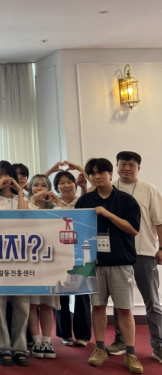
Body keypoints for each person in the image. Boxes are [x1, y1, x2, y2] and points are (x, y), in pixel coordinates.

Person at [76, 158, 142, 374]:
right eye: (92, 173)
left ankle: (130, 353)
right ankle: (100, 348)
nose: (97, 176)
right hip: (94, 263)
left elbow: (133, 229)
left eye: (101, 172)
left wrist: (107, 213)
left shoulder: (126, 200)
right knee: (98, 306)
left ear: (110, 174)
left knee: (124, 308)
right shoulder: (85, 201)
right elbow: (78, 231)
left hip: (120, 262)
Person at [107, 152, 162, 363]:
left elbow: (159, 221)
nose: (127, 168)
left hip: (144, 252)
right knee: (120, 302)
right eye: (123, 164)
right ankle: (121, 341)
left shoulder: (149, 189)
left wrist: (161, 247)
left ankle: (159, 344)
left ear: (138, 168)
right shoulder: (109, 189)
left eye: (132, 165)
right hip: (118, 254)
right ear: (117, 166)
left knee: (152, 301)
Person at [0, 161, 30, 367]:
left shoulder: (23, 198)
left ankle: (20, 347)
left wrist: (19, 191)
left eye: (7, 174)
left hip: (20, 255)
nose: (3, 178)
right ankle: (2, 347)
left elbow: (23, 218)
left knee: (22, 303)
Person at [52, 171, 92, 348]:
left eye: (69, 182)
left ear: (75, 185)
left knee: (82, 294)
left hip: (81, 252)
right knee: (61, 294)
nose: (66, 185)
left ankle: (82, 334)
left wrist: (84, 186)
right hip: (59, 254)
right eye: (62, 183)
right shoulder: (53, 205)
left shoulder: (82, 201)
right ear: (57, 187)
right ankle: (65, 334)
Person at [26, 174, 62, 360]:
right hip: (30, 261)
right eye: (35, 185)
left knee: (47, 304)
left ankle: (47, 341)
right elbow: (25, 221)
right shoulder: (26, 205)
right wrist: (32, 201)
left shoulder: (54, 208)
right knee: (32, 304)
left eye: (43, 185)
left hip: (50, 262)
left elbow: (64, 224)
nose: (39, 188)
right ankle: (36, 341)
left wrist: (59, 202)